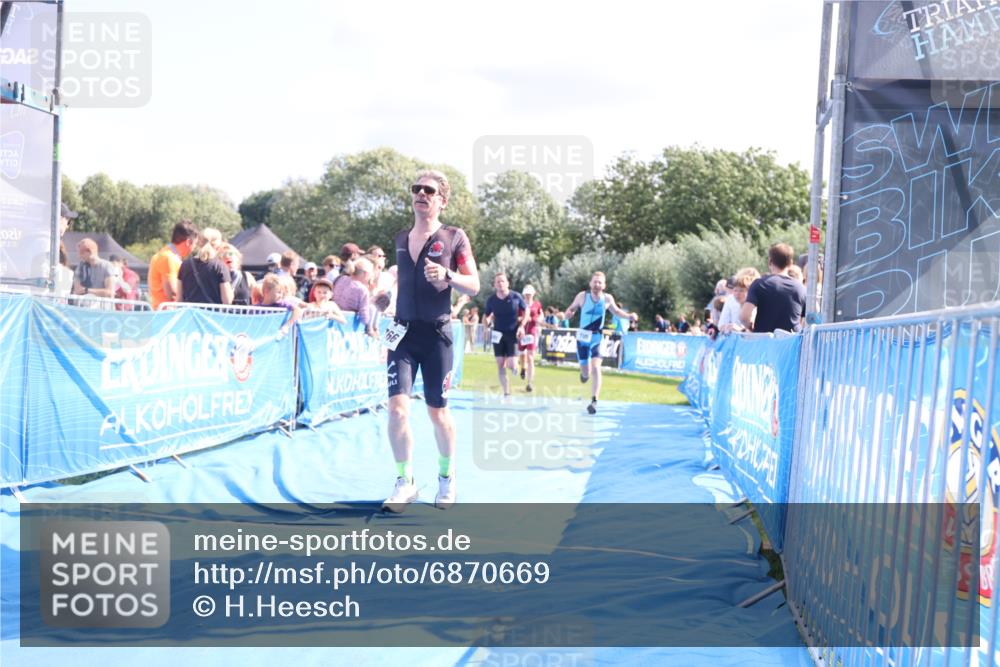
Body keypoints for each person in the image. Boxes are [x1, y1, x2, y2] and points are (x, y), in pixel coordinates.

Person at [383, 169, 479, 513]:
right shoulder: (399, 238)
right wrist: (385, 299)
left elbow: (475, 284)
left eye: (429, 190)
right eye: (416, 189)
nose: (421, 194)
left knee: (437, 413)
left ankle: (446, 477)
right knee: (396, 408)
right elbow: (401, 284)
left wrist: (449, 275)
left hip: (438, 335)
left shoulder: (454, 237)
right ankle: (404, 482)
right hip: (402, 334)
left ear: (442, 200)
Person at [563, 271, 637, 415]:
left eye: (600, 282)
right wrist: (568, 314)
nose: (597, 285)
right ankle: (584, 375)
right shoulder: (582, 296)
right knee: (586, 372)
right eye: (595, 282)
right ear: (590, 283)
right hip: (582, 338)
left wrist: (629, 316)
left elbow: (616, 312)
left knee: (596, 367)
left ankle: (594, 400)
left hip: (597, 338)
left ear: (604, 285)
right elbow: (571, 309)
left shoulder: (607, 298)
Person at [741, 243, 806, 333]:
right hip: (791, 343)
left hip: (765, 341)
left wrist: (750, 327)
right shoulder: (801, 288)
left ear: (770, 261)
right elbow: (807, 318)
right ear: (790, 263)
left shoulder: (759, 284)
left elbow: (744, 317)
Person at [483, 273, 527, 398]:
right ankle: (506, 392)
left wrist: (522, 325)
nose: (500, 284)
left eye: (502, 281)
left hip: (512, 334)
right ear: (494, 285)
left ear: (507, 283)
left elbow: (526, 311)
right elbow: (486, 315)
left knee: (511, 365)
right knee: (500, 364)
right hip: (498, 334)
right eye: (497, 282)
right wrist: (486, 326)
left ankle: (515, 365)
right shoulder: (491, 300)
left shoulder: (516, 297)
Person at [148, 221, 197, 309]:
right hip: (167, 314)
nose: (194, 249)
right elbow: (172, 293)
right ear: (188, 242)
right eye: (195, 244)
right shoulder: (169, 258)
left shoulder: (165, 254)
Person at [178, 228, 234, 305]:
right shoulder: (220, 266)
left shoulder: (185, 265)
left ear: (198, 243)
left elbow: (179, 299)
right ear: (218, 246)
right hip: (211, 315)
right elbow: (227, 301)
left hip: (190, 314)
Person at [332, 256, 377, 336]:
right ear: (366, 274)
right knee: (372, 308)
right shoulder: (362, 289)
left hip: (332, 323)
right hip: (348, 329)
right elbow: (364, 319)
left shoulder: (340, 279)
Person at [517, 284, 543, 392]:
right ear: (524, 294)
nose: (528, 296)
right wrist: (523, 318)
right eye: (526, 294)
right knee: (522, 356)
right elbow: (516, 316)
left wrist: (538, 320)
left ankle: (530, 383)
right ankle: (523, 368)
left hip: (532, 331)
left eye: (530, 294)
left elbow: (540, 314)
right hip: (522, 332)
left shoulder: (537, 304)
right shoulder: (520, 304)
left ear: (533, 294)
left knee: (530, 357)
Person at [718, 267, 760, 333]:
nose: (737, 294)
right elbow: (721, 325)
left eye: (741, 290)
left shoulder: (757, 304)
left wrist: (740, 330)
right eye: (735, 290)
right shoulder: (730, 299)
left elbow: (754, 330)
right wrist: (728, 328)